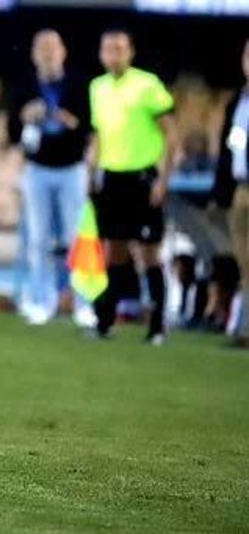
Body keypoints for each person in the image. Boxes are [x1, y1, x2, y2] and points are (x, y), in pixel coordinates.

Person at [87, 29, 176, 344]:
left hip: (143, 177)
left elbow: (171, 134)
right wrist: (91, 170)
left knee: (149, 253)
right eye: (108, 48)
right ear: (101, 53)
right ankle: (105, 321)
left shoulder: (147, 85)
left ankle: (158, 326)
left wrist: (163, 179)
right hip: (112, 178)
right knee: (114, 252)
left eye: (119, 48)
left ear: (131, 52)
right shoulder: (97, 88)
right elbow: (98, 135)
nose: (113, 54)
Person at [8, 30, 90, 325]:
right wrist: (25, 118)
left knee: (76, 238)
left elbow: (89, 128)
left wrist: (70, 122)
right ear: (33, 54)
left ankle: (83, 305)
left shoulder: (78, 84)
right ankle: (41, 301)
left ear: (63, 52)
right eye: (41, 49)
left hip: (71, 168)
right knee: (38, 239)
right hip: (37, 168)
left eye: (52, 48)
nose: (47, 54)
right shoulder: (24, 86)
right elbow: (12, 133)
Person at [211, 37, 249, 348]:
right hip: (242, 190)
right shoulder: (238, 101)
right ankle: (245, 329)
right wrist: (221, 192)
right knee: (244, 262)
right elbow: (229, 151)